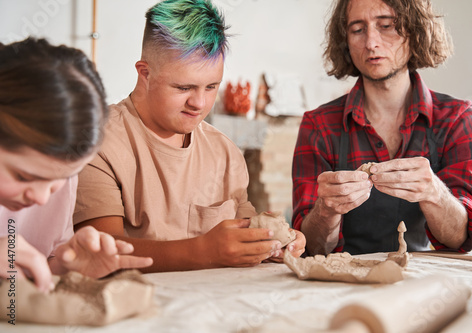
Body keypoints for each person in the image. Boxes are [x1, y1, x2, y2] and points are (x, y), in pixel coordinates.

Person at [73, 0, 305, 272]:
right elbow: (102, 251)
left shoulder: (225, 152)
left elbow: (245, 236)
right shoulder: (97, 141)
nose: (199, 103)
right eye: (184, 87)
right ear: (145, 73)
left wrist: (270, 244)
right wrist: (204, 251)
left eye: (211, 87)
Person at [292, 0, 472, 255]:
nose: (371, 43)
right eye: (358, 30)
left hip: (422, 282)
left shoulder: (457, 119)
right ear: (346, 40)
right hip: (340, 285)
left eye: (386, 26)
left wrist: (434, 193)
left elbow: (460, 239)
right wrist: (326, 211)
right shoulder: (318, 126)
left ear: (415, 31)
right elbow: (311, 248)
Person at [0, 38, 153, 293]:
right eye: (24, 176)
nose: (40, 197)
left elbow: (25, 276)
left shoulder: (63, 175)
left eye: (57, 181)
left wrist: (61, 267)